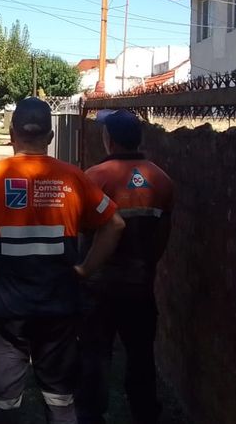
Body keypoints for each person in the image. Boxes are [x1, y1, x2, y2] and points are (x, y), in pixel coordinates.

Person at [0, 97, 126, 424]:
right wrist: (85, 269)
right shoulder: (73, 177)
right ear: (51, 135)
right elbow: (115, 223)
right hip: (59, 304)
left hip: (6, 307)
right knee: (60, 396)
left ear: (12, 134)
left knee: (4, 400)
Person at [75, 110, 174, 424]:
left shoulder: (94, 178)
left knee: (95, 356)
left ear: (110, 140)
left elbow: (82, 231)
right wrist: (146, 268)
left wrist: (83, 270)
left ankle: (92, 416)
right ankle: (145, 414)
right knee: (141, 357)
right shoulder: (162, 179)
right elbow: (162, 237)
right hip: (140, 285)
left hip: (98, 287)